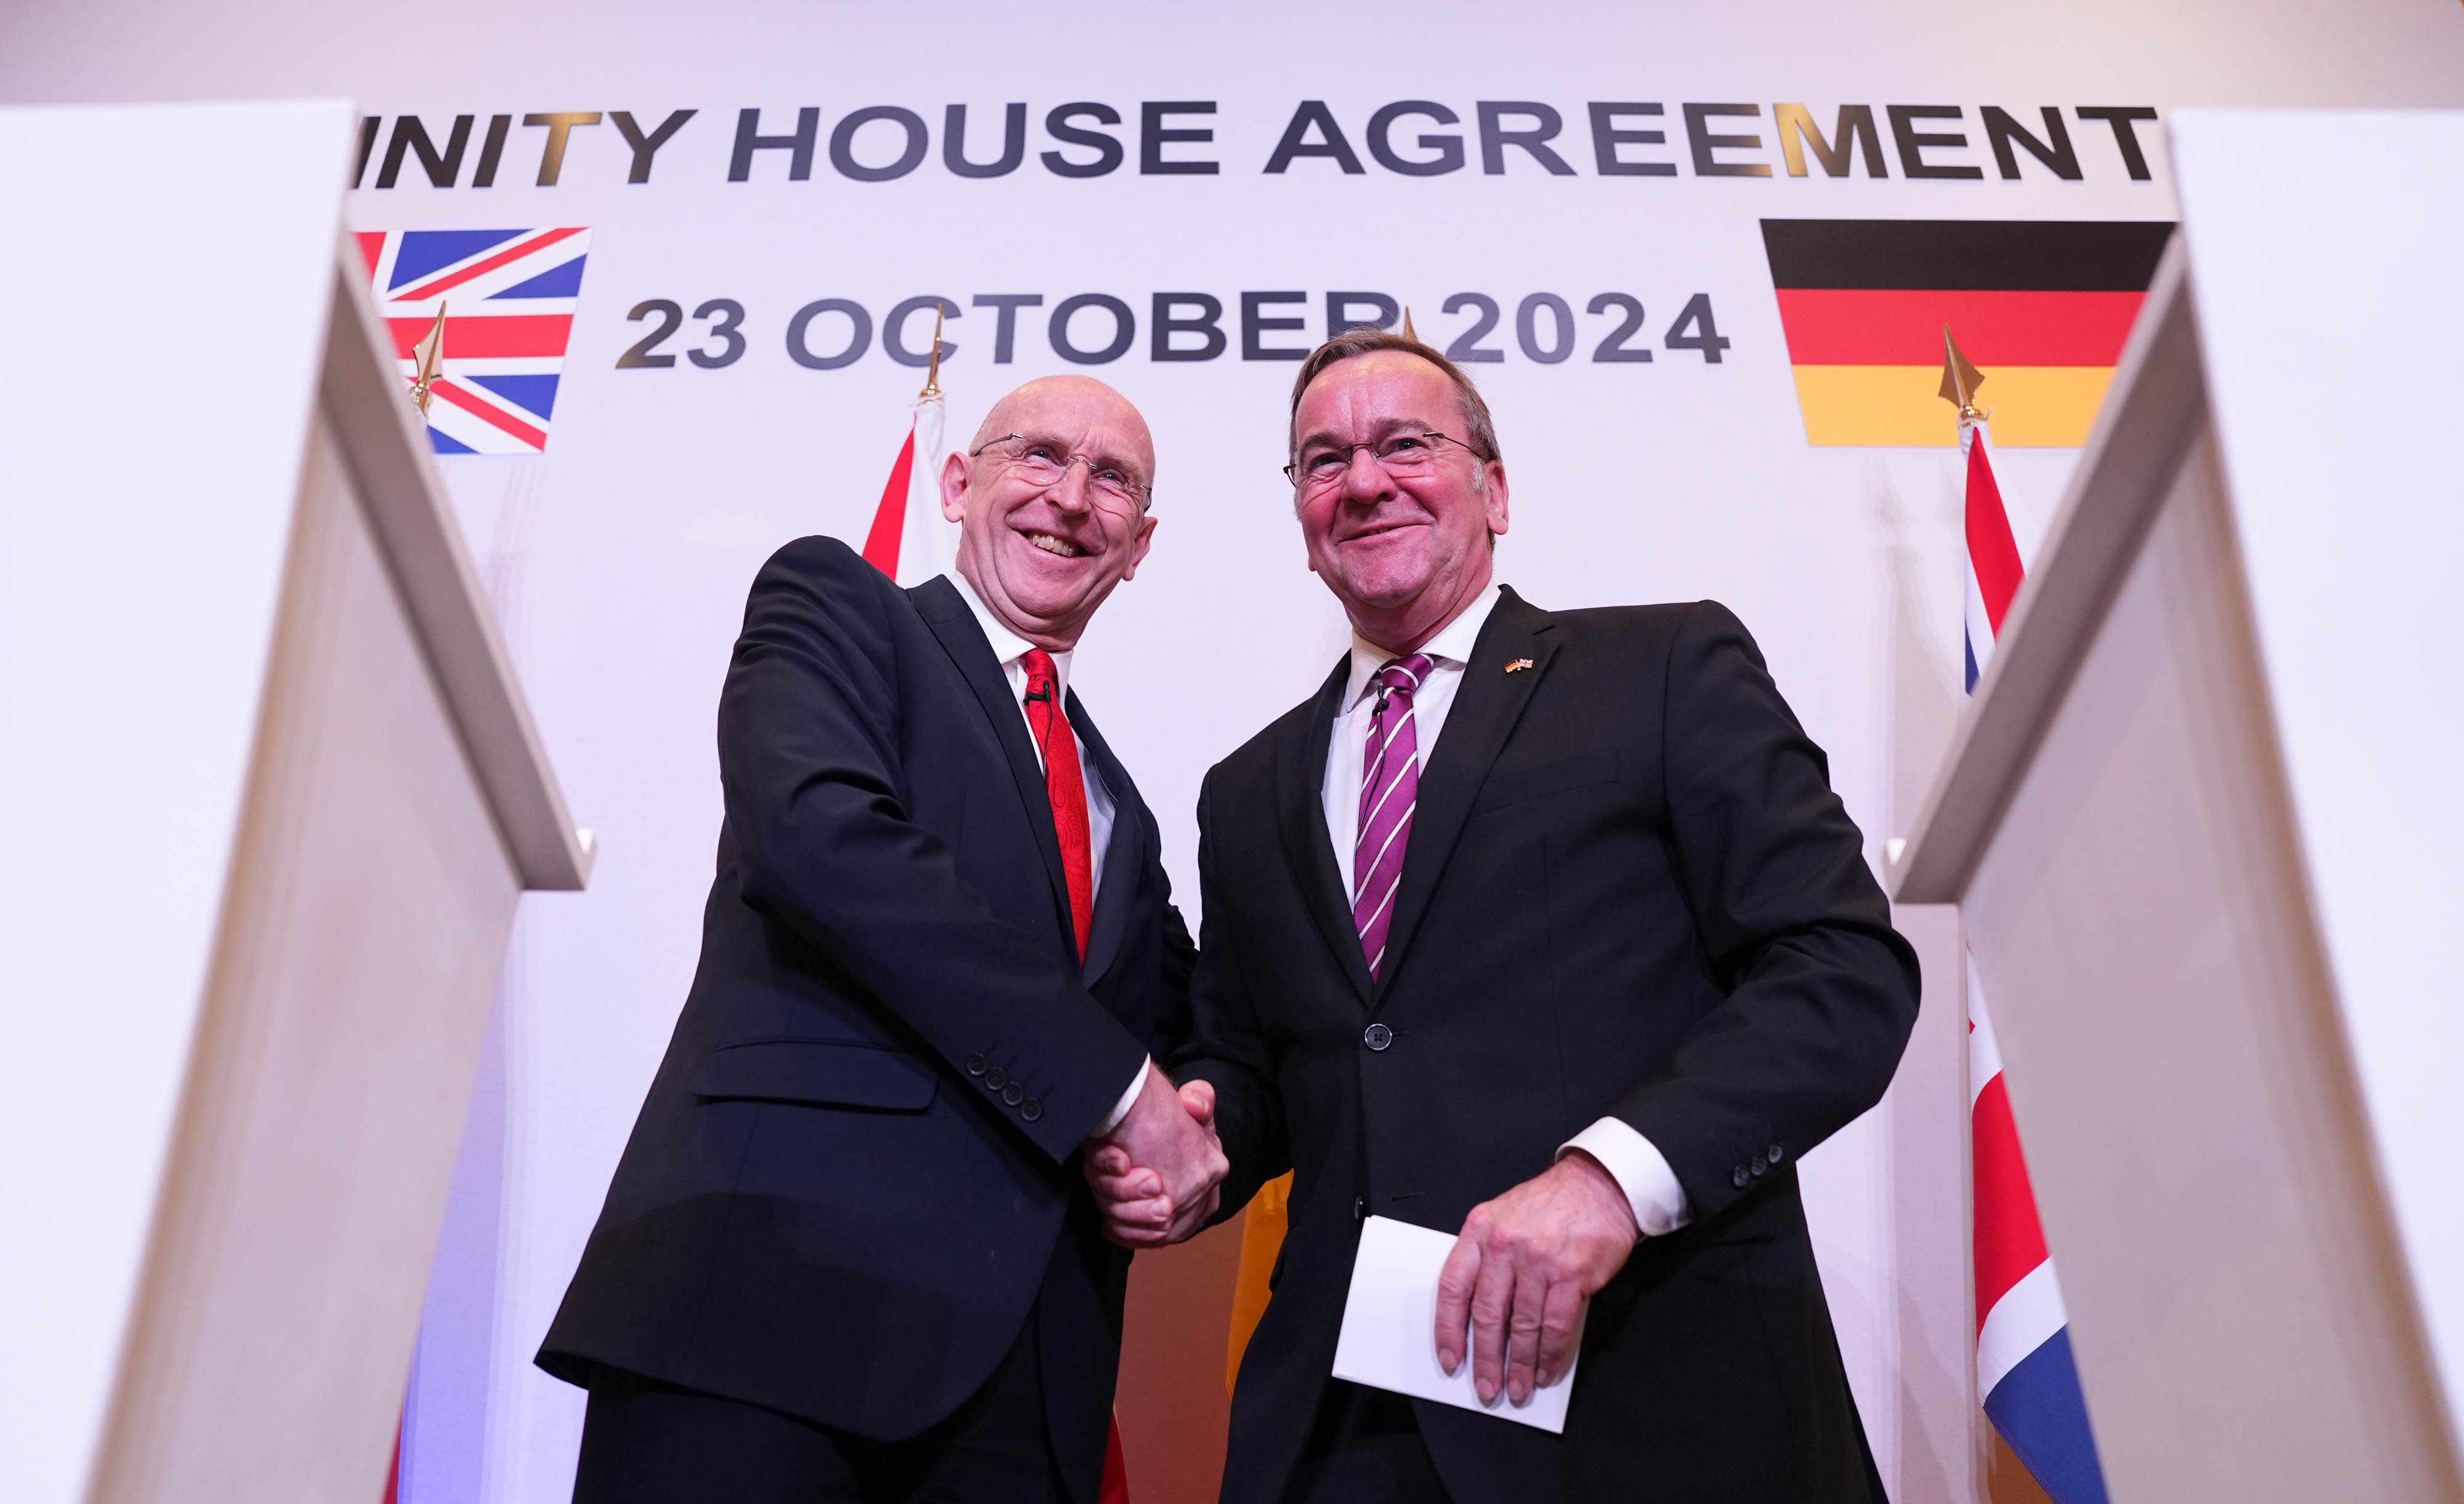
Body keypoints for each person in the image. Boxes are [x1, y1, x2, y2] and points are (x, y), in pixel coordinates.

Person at [1090, 333, 1921, 1503]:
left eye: (1405, 444)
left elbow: (1841, 969)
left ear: (1496, 487)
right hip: (1347, 1423)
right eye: (1323, 459)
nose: (1364, 480)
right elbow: (1266, 1064)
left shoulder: (1666, 663)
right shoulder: (1247, 787)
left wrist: (1608, 1181)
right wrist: (1193, 1138)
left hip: (1649, 1386)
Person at [540, 375, 1228, 1504]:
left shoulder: (1123, 813)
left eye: (1113, 480)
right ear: (960, 482)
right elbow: (822, 843)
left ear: (1139, 546)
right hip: (767, 1325)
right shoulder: (838, 605)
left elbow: (1203, 1031)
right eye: (1039, 455)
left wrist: (1207, 1132)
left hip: (1020, 1396)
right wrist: (1119, 1091)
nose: (1071, 498)